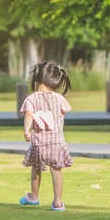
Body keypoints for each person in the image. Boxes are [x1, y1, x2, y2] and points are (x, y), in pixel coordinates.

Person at [19, 61, 73, 211]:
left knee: (36, 168)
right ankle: (58, 201)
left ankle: (34, 197)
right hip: (56, 142)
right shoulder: (58, 98)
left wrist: (26, 130)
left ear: (36, 79)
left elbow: (29, 114)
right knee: (56, 170)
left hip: (39, 144)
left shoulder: (32, 98)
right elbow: (67, 108)